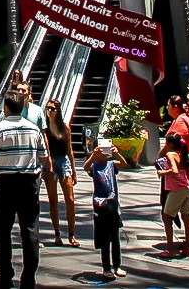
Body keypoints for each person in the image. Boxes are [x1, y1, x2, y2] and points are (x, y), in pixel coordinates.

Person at [0, 90, 50, 289]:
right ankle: (29, 276)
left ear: (6, 107)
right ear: (23, 107)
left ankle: (5, 274)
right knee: (30, 228)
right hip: (29, 182)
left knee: (2, 230)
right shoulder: (33, 129)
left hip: (6, 182)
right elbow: (43, 156)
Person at [85, 139, 129, 278]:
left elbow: (124, 164)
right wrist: (93, 154)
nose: (105, 153)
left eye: (107, 150)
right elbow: (86, 168)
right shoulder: (95, 166)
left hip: (113, 204)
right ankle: (106, 268)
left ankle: (117, 265)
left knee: (115, 237)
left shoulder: (111, 164)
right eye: (102, 150)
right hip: (100, 205)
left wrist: (117, 154)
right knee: (104, 237)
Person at [163, 95, 189, 251]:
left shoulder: (180, 121)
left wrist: (162, 158)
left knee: (186, 207)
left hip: (179, 176)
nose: (166, 108)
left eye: (168, 105)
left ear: (175, 107)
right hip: (186, 173)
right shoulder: (184, 118)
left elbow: (178, 142)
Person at [42, 98, 78, 248]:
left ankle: (71, 233)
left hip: (63, 161)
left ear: (58, 110)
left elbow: (69, 150)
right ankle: (57, 233)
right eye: (48, 109)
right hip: (51, 162)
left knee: (70, 198)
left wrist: (74, 170)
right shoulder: (44, 129)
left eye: (52, 109)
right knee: (53, 200)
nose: (50, 111)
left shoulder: (65, 127)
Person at [158, 132, 189, 256]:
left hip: (176, 189)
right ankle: (188, 248)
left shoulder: (170, 154)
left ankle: (170, 249)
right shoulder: (183, 154)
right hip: (186, 188)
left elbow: (174, 171)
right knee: (186, 217)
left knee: (166, 216)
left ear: (169, 144)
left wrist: (162, 172)